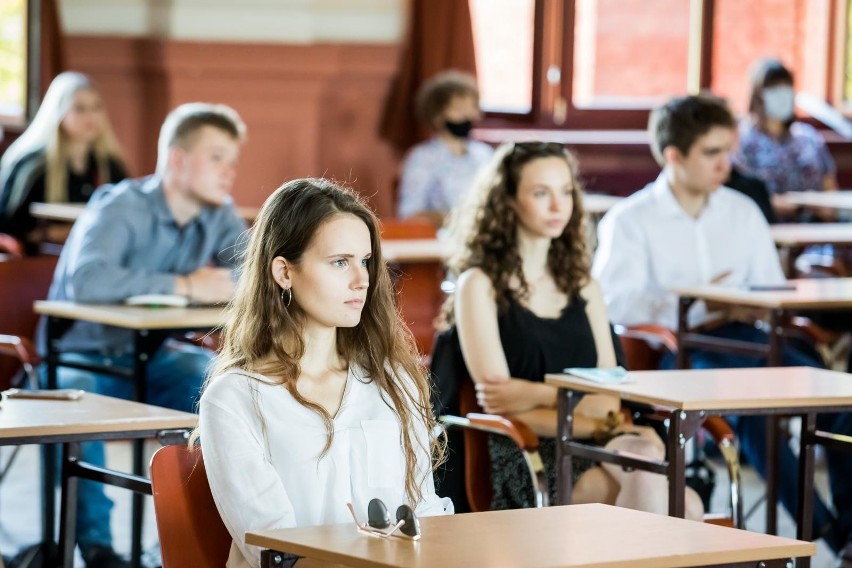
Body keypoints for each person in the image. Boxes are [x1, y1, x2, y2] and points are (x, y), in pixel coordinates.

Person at [593, 94, 852, 557]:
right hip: (683, 349)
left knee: (841, 402)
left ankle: (848, 530)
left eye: (728, 150)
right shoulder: (630, 220)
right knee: (756, 418)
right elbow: (615, 301)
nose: (725, 164)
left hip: (751, 336)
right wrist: (692, 297)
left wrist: (747, 303)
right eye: (712, 153)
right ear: (674, 156)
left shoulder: (741, 211)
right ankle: (826, 532)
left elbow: (771, 287)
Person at [431, 141, 698, 517]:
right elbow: (500, 401)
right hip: (525, 451)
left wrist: (536, 393)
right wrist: (593, 416)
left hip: (596, 439)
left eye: (566, 191)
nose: (559, 206)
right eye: (541, 193)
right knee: (671, 498)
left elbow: (609, 395)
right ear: (506, 201)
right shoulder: (480, 284)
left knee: (680, 498)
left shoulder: (583, 284)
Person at [196, 178, 452, 568]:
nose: (361, 279)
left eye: (365, 261)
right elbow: (276, 553)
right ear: (284, 272)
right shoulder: (233, 398)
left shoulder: (393, 380)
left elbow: (426, 513)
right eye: (339, 262)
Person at [37, 102, 248, 567]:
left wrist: (223, 282)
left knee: (225, 383)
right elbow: (89, 281)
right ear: (177, 159)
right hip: (78, 357)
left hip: (150, 357)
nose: (229, 172)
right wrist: (186, 285)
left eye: (233, 160)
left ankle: (214, 538)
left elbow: (252, 275)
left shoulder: (219, 212)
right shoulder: (120, 206)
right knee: (81, 409)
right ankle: (99, 550)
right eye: (217, 158)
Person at [0, 71, 127, 254]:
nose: (90, 117)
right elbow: (10, 226)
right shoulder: (33, 166)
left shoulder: (110, 166)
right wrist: (61, 232)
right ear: (59, 112)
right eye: (80, 109)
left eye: (96, 108)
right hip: (39, 263)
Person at [733, 58, 838, 221]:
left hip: (812, 232)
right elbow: (739, 195)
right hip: (765, 228)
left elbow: (829, 187)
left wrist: (826, 208)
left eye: (786, 86)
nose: (782, 94)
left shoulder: (809, 138)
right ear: (758, 95)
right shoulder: (742, 141)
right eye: (773, 88)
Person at [396, 70, 493, 225]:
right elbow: (409, 214)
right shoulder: (422, 157)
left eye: (472, 108)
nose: (468, 116)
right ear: (437, 115)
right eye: (460, 109)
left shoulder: (484, 154)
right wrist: (448, 219)